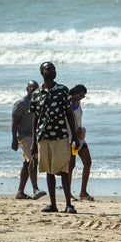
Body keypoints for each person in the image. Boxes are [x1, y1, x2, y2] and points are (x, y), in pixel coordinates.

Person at [29, 61, 80, 214]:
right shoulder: (36, 94)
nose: (51, 70)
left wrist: (74, 137)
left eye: (53, 68)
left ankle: (68, 204)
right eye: (48, 68)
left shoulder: (63, 91)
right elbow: (35, 119)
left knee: (64, 170)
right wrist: (33, 142)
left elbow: (69, 115)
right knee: (49, 171)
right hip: (43, 138)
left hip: (61, 136)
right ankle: (53, 204)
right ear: (42, 72)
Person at [10, 80, 46, 200]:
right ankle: (35, 189)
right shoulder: (21, 103)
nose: (34, 90)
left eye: (36, 89)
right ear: (27, 89)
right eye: (32, 88)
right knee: (34, 161)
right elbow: (14, 123)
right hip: (24, 137)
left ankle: (20, 192)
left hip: (35, 137)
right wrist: (14, 140)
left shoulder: (38, 102)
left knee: (26, 164)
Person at [68, 84, 94, 201]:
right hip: (71, 138)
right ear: (75, 92)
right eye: (80, 95)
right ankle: (68, 193)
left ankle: (83, 192)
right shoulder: (67, 103)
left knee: (87, 162)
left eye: (83, 97)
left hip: (80, 138)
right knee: (71, 165)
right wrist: (73, 137)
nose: (81, 98)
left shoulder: (78, 103)